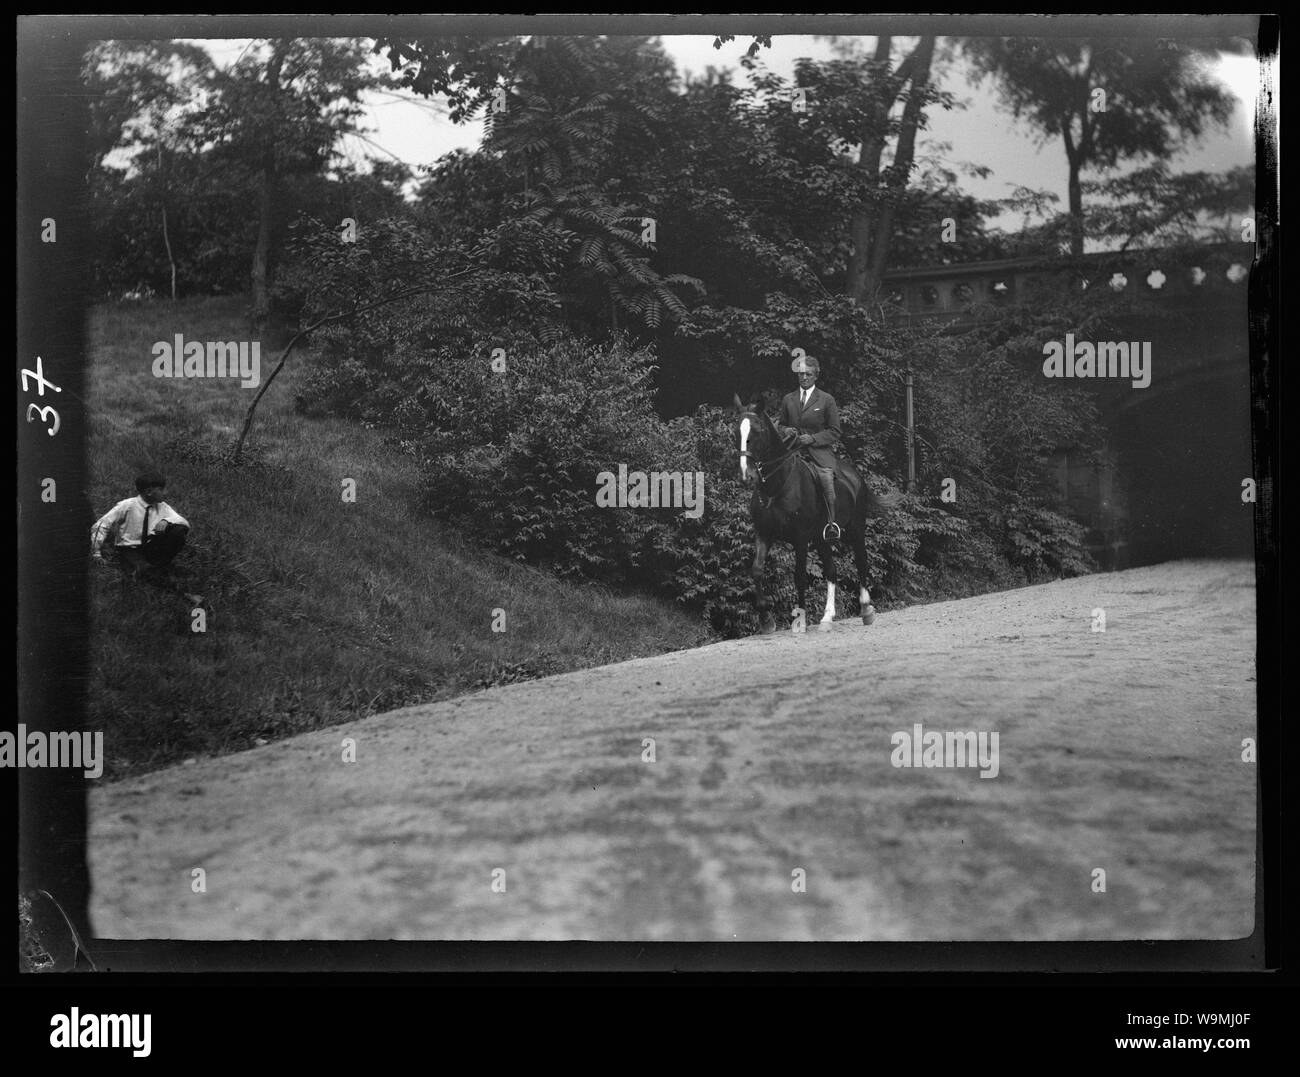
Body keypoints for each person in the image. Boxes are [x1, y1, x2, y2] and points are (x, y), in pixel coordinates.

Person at [91, 472, 195, 597]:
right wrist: (96, 551)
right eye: (161, 490)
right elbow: (101, 524)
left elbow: (183, 521)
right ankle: (183, 594)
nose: (165, 493)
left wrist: (166, 520)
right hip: (129, 549)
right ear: (149, 492)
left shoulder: (163, 507)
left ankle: (160, 564)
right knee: (146, 570)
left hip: (150, 546)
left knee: (179, 530)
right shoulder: (127, 505)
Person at [778, 355, 843, 540]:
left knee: (826, 480)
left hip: (819, 453)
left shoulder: (826, 399)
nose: (804, 377)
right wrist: (786, 430)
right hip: (791, 450)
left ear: (815, 376)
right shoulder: (788, 399)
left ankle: (831, 525)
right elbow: (781, 424)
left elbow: (835, 431)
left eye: (808, 374)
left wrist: (813, 439)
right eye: (801, 374)